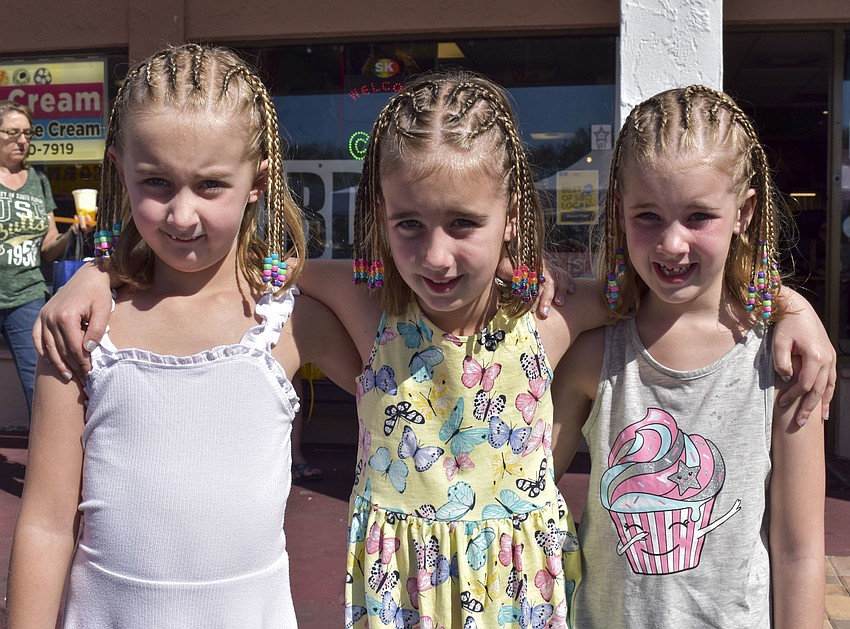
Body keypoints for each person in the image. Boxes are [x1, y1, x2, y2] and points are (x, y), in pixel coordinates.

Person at [35, 70, 834, 628]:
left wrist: (792, 307)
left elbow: (681, 289)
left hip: (520, 604)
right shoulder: (365, 308)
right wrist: (102, 271)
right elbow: (238, 265)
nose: (436, 255)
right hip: (401, 601)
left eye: (463, 224)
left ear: (512, 215)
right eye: (409, 224)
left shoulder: (555, 316)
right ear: (379, 216)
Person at [5, 43, 360, 628]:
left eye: (211, 185)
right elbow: (45, 523)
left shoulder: (288, 322)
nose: (182, 215)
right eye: (157, 182)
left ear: (258, 181)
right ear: (120, 171)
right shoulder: (84, 330)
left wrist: (306, 272)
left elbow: (406, 381)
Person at [550, 85, 825, 628]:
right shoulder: (594, 352)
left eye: (698, 216)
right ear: (620, 211)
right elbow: (522, 487)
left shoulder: (783, 361)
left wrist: (792, 308)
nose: (672, 243)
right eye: (648, 216)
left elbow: (800, 550)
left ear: (744, 212)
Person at [0, 101, 88, 430]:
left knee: (39, 383)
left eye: (27, 133)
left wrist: (72, 232)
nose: (22, 140)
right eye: (13, 132)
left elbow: (48, 248)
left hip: (27, 293)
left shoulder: (38, 179)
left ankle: (44, 458)